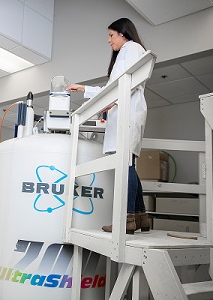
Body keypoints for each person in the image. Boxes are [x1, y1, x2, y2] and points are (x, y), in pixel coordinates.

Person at [66, 18, 150, 235]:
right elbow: (115, 88)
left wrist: (97, 96)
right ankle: (140, 216)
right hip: (124, 111)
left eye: (111, 35)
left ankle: (127, 219)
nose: (109, 40)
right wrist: (97, 96)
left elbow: (124, 84)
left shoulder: (131, 48)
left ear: (123, 34)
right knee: (129, 163)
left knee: (126, 165)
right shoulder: (128, 51)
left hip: (128, 112)